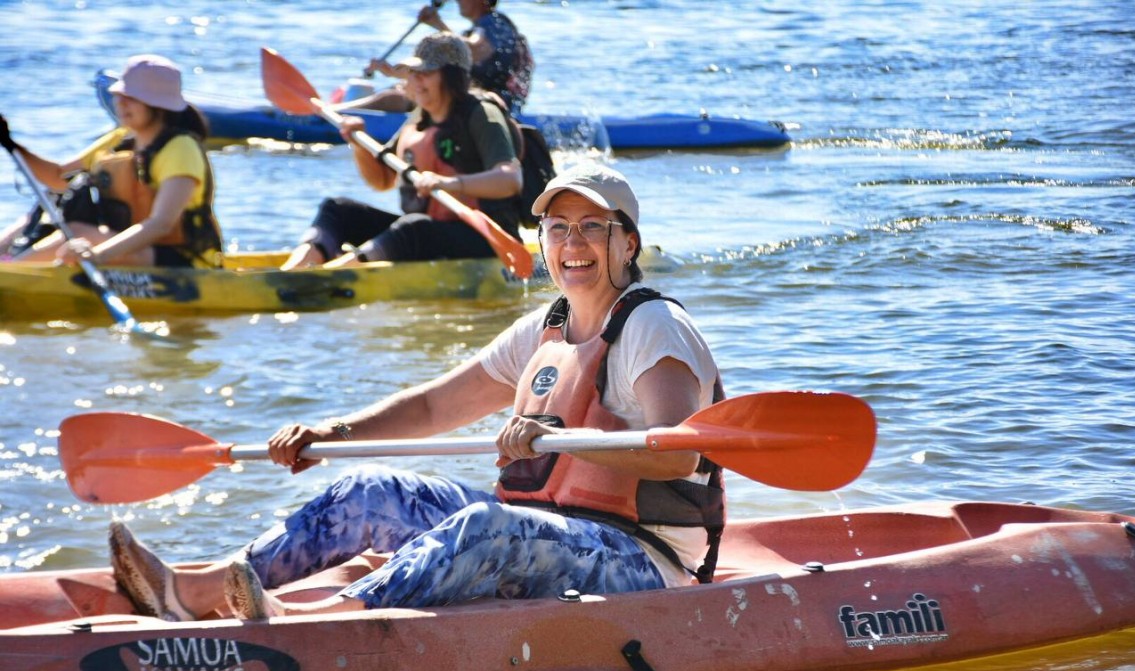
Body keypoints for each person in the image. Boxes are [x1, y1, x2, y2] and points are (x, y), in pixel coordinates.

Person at [108, 164, 727, 622]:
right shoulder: (545, 329)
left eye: (593, 227)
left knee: (487, 525)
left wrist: (563, 440)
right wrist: (335, 432)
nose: (573, 243)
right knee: (370, 491)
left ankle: (309, 621)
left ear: (628, 243)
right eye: (558, 228)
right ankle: (191, 593)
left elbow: (678, 453)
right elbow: (434, 406)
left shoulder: (652, 326)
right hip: (551, 527)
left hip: (643, 560)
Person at [282, 32, 522, 270]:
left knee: (414, 228)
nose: (416, 81)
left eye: (426, 73)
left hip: (485, 239)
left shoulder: (482, 114)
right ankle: (296, 269)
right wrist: (358, 143)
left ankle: (334, 276)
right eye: (413, 73)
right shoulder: (419, 118)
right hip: (428, 233)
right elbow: (382, 180)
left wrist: (449, 183)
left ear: (452, 76)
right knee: (337, 209)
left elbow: (511, 180)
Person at [0, 55, 223, 268]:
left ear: (159, 106)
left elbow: (162, 224)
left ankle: (12, 274)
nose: (121, 103)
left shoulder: (181, 148)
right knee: (28, 222)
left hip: (183, 259)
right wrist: (10, 144)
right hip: (132, 248)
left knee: (79, 233)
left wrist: (97, 255)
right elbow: (58, 179)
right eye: (120, 95)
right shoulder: (121, 140)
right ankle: (9, 267)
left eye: (132, 98)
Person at [358, 0, 533, 115]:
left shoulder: (494, 22)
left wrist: (437, 23)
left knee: (393, 97)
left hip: (490, 106)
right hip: (473, 99)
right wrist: (392, 72)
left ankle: (343, 116)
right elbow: (446, 66)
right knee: (400, 88)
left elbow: (474, 50)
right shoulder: (481, 28)